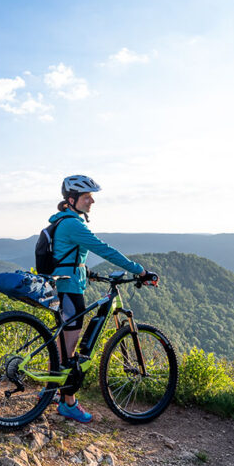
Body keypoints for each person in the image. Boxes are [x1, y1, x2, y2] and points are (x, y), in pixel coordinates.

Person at [49, 174, 156, 423]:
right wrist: (139, 270)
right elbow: (105, 250)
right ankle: (68, 403)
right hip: (70, 291)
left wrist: (88, 273)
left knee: (61, 347)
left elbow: (68, 256)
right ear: (73, 199)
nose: (92, 201)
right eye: (88, 197)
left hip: (63, 286)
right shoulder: (73, 224)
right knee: (69, 351)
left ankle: (52, 391)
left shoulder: (61, 222)